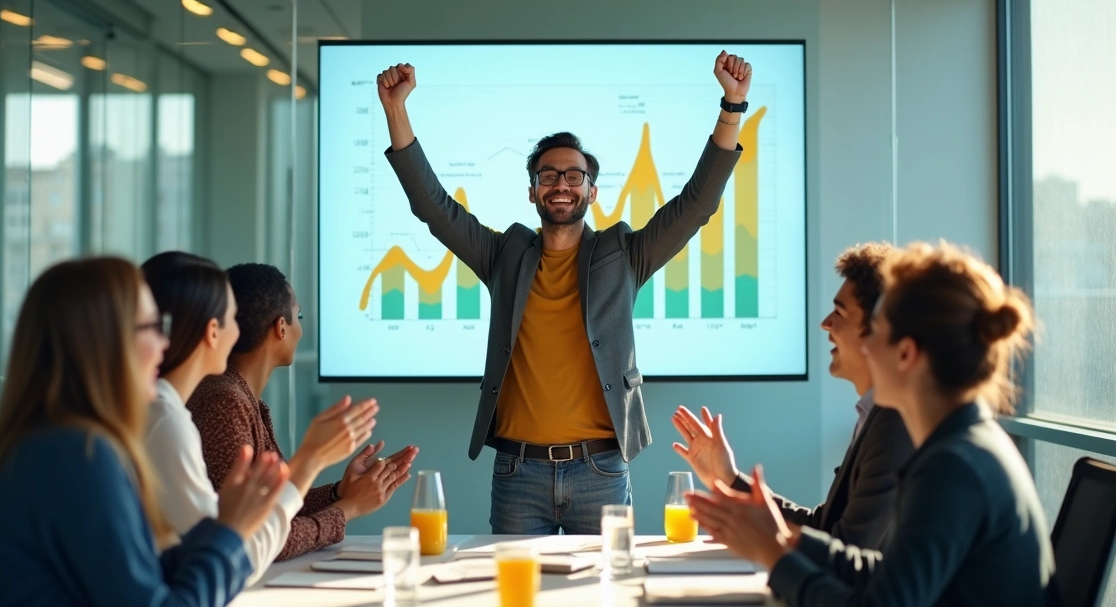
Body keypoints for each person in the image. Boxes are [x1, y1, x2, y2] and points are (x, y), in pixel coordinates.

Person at [375, 52, 751, 534]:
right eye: (548, 175)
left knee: (606, 592)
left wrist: (732, 106)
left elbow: (696, 205)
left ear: (591, 192)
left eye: (574, 176)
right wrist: (395, 110)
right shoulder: (504, 255)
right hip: (518, 473)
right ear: (532, 191)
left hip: (601, 471)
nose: (561, 184)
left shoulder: (624, 254)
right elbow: (435, 208)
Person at [687, 242, 1058, 607]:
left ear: (906, 353)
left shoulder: (953, 467)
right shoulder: (963, 444)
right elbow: (883, 573)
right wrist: (786, 539)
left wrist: (776, 556)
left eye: (877, 331)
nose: (867, 348)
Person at [0, 257, 288, 606]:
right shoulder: (79, 456)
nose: (165, 343)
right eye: (152, 328)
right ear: (107, 344)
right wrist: (228, 534)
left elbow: (139, 573)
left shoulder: (51, 443)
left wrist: (222, 533)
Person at [141, 251, 379, 582]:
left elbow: (251, 522)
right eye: (228, 318)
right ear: (213, 331)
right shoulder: (211, 405)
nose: (237, 330)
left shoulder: (215, 401)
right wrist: (326, 479)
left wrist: (339, 493)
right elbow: (243, 548)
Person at [673, 243, 913, 550]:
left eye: (839, 312)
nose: (826, 323)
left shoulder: (895, 423)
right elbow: (824, 527)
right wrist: (729, 478)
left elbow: (846, 550)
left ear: (879, 330)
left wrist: (765, 545)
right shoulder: (875, 415)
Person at [190, 262, 418, 559]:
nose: (301, 328)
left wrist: (338, 493)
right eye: (298, 316)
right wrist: (348, 509)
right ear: (280, 328)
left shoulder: (241, 398)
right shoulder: (224, 405)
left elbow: (273, 508)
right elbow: (266, 537)